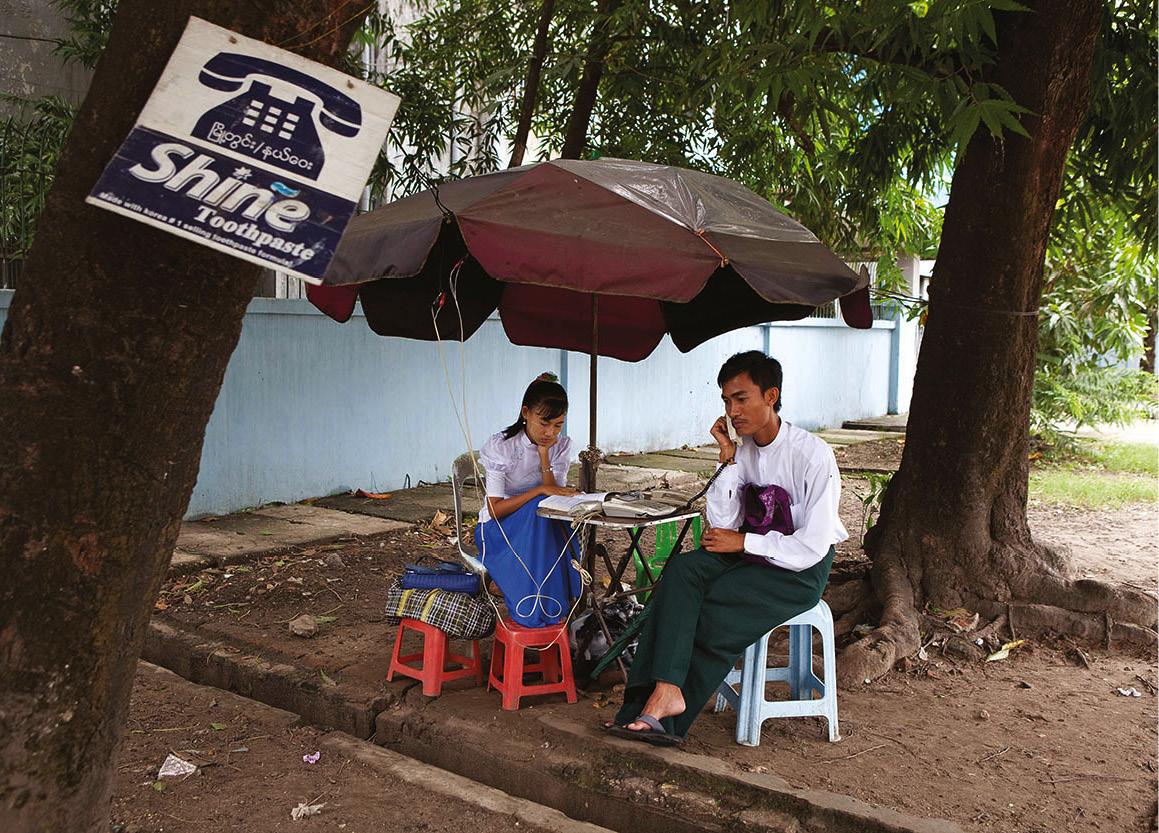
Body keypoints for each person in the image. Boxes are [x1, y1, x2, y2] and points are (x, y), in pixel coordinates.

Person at [606, 351, 847, 744]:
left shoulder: (812, 455)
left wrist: (744, 541)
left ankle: (663, 714)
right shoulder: (743, 449)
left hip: (799, 570)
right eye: (726, 401)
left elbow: (813, 545)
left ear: (771, 396)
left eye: (741, 398)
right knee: (681, 574)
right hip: (748, 555)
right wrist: (727, 457)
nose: (733, 411)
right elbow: (722, 525)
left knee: (713, 603)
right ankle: (655, 697)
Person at [477, 373, 584, 628]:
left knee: (553, 515)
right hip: (498, 529)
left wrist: (544, 453)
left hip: (539, 527)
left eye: (558, 425)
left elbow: (555, 493)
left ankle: (554, 608)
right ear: (526, 412)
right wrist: (537, 493)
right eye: (544, 422)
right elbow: (494, 509)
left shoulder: (560, 446)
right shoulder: (501, 446)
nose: (550, 432)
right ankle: (534, 609)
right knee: (540, 508)